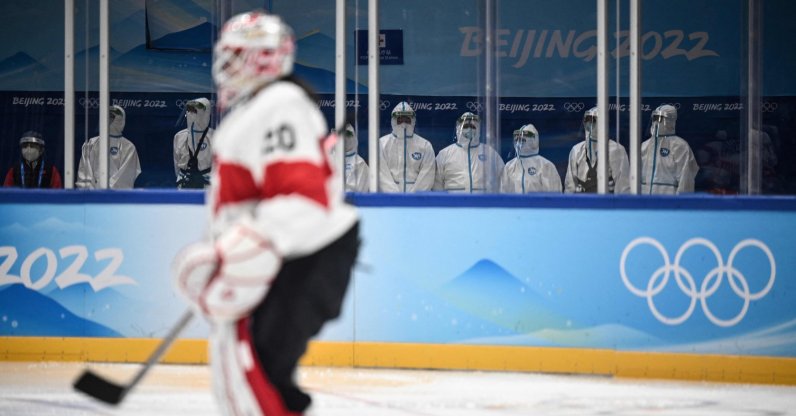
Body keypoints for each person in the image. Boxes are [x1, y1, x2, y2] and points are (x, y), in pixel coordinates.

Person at [171, 11, 360, 416]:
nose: (225, 68)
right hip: (287, 254)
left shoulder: (279, 105)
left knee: (252, 375)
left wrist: (232, 252)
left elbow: (302, 197)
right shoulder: (258, 109)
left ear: (262, 58)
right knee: (242, 371)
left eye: (235, 57)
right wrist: (228, 250)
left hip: (303, 256)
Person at [564, 106, 630, 194]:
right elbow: (570, 185)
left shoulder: (617, 150)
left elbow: (623, 186)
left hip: (608, 203)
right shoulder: (577, 150)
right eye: (587, 120)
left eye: (593, 120)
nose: (589, 124)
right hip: (582, 204)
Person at [433, 111, 504, 193]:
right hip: (453, 203)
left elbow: (502, 180)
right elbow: (437, 184)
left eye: (473, 127)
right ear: (458, 128)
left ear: (478, 129)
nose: (469, 129)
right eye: (465, 126)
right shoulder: (445, 154)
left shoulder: (489, 153)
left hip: (483, 203)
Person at [75, 105, 141, 189]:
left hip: (117, 198)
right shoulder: (91, 143)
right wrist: (92, 193)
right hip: (92, 197)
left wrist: (105, 191)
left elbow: (125, 176)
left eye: (114, 117)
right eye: (109, 116)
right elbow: (84, 173)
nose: (112, 120)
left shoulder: (128, 147)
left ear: (122, 119)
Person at [641, 104, 699, 194]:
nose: (656, 122)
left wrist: (680, 204)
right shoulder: (644, 146)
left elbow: (686, 179)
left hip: (668, 201)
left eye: (660, 118)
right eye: (655, 118)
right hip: (644, 201)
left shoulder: (680, 146)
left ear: (670, 120)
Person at [378, 101, 435, 192]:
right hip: (389, 201)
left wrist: (413, 199)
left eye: (407, 119)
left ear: (413, 121)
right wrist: (394, 197)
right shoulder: (381, 144)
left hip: (416, 202)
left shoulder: (425, 145)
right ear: (393, 121)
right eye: (400, 119)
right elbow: (381, 174)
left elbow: (427, 176)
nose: (403, 123)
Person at [500, 123, 561, 193]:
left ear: (533, 140)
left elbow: (555, 195)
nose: (519, 143)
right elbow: (504, 194)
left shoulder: (546, 165)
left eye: (522, 140)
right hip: (515, 204)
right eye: (517, 139)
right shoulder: (509, 167)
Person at [174, 97, 214, 189]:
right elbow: (176, 163)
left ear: (206, 112)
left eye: (195, 111)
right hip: (184, 184)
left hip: (207, 186)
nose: (191, 114)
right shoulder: (179, 136)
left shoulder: (214, 137)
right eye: (189, 110)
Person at [340, 122, 369, 192]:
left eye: (348, 135)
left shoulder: (360, 163)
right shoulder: (330, 159)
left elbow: (356, 190)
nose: (345, 138)